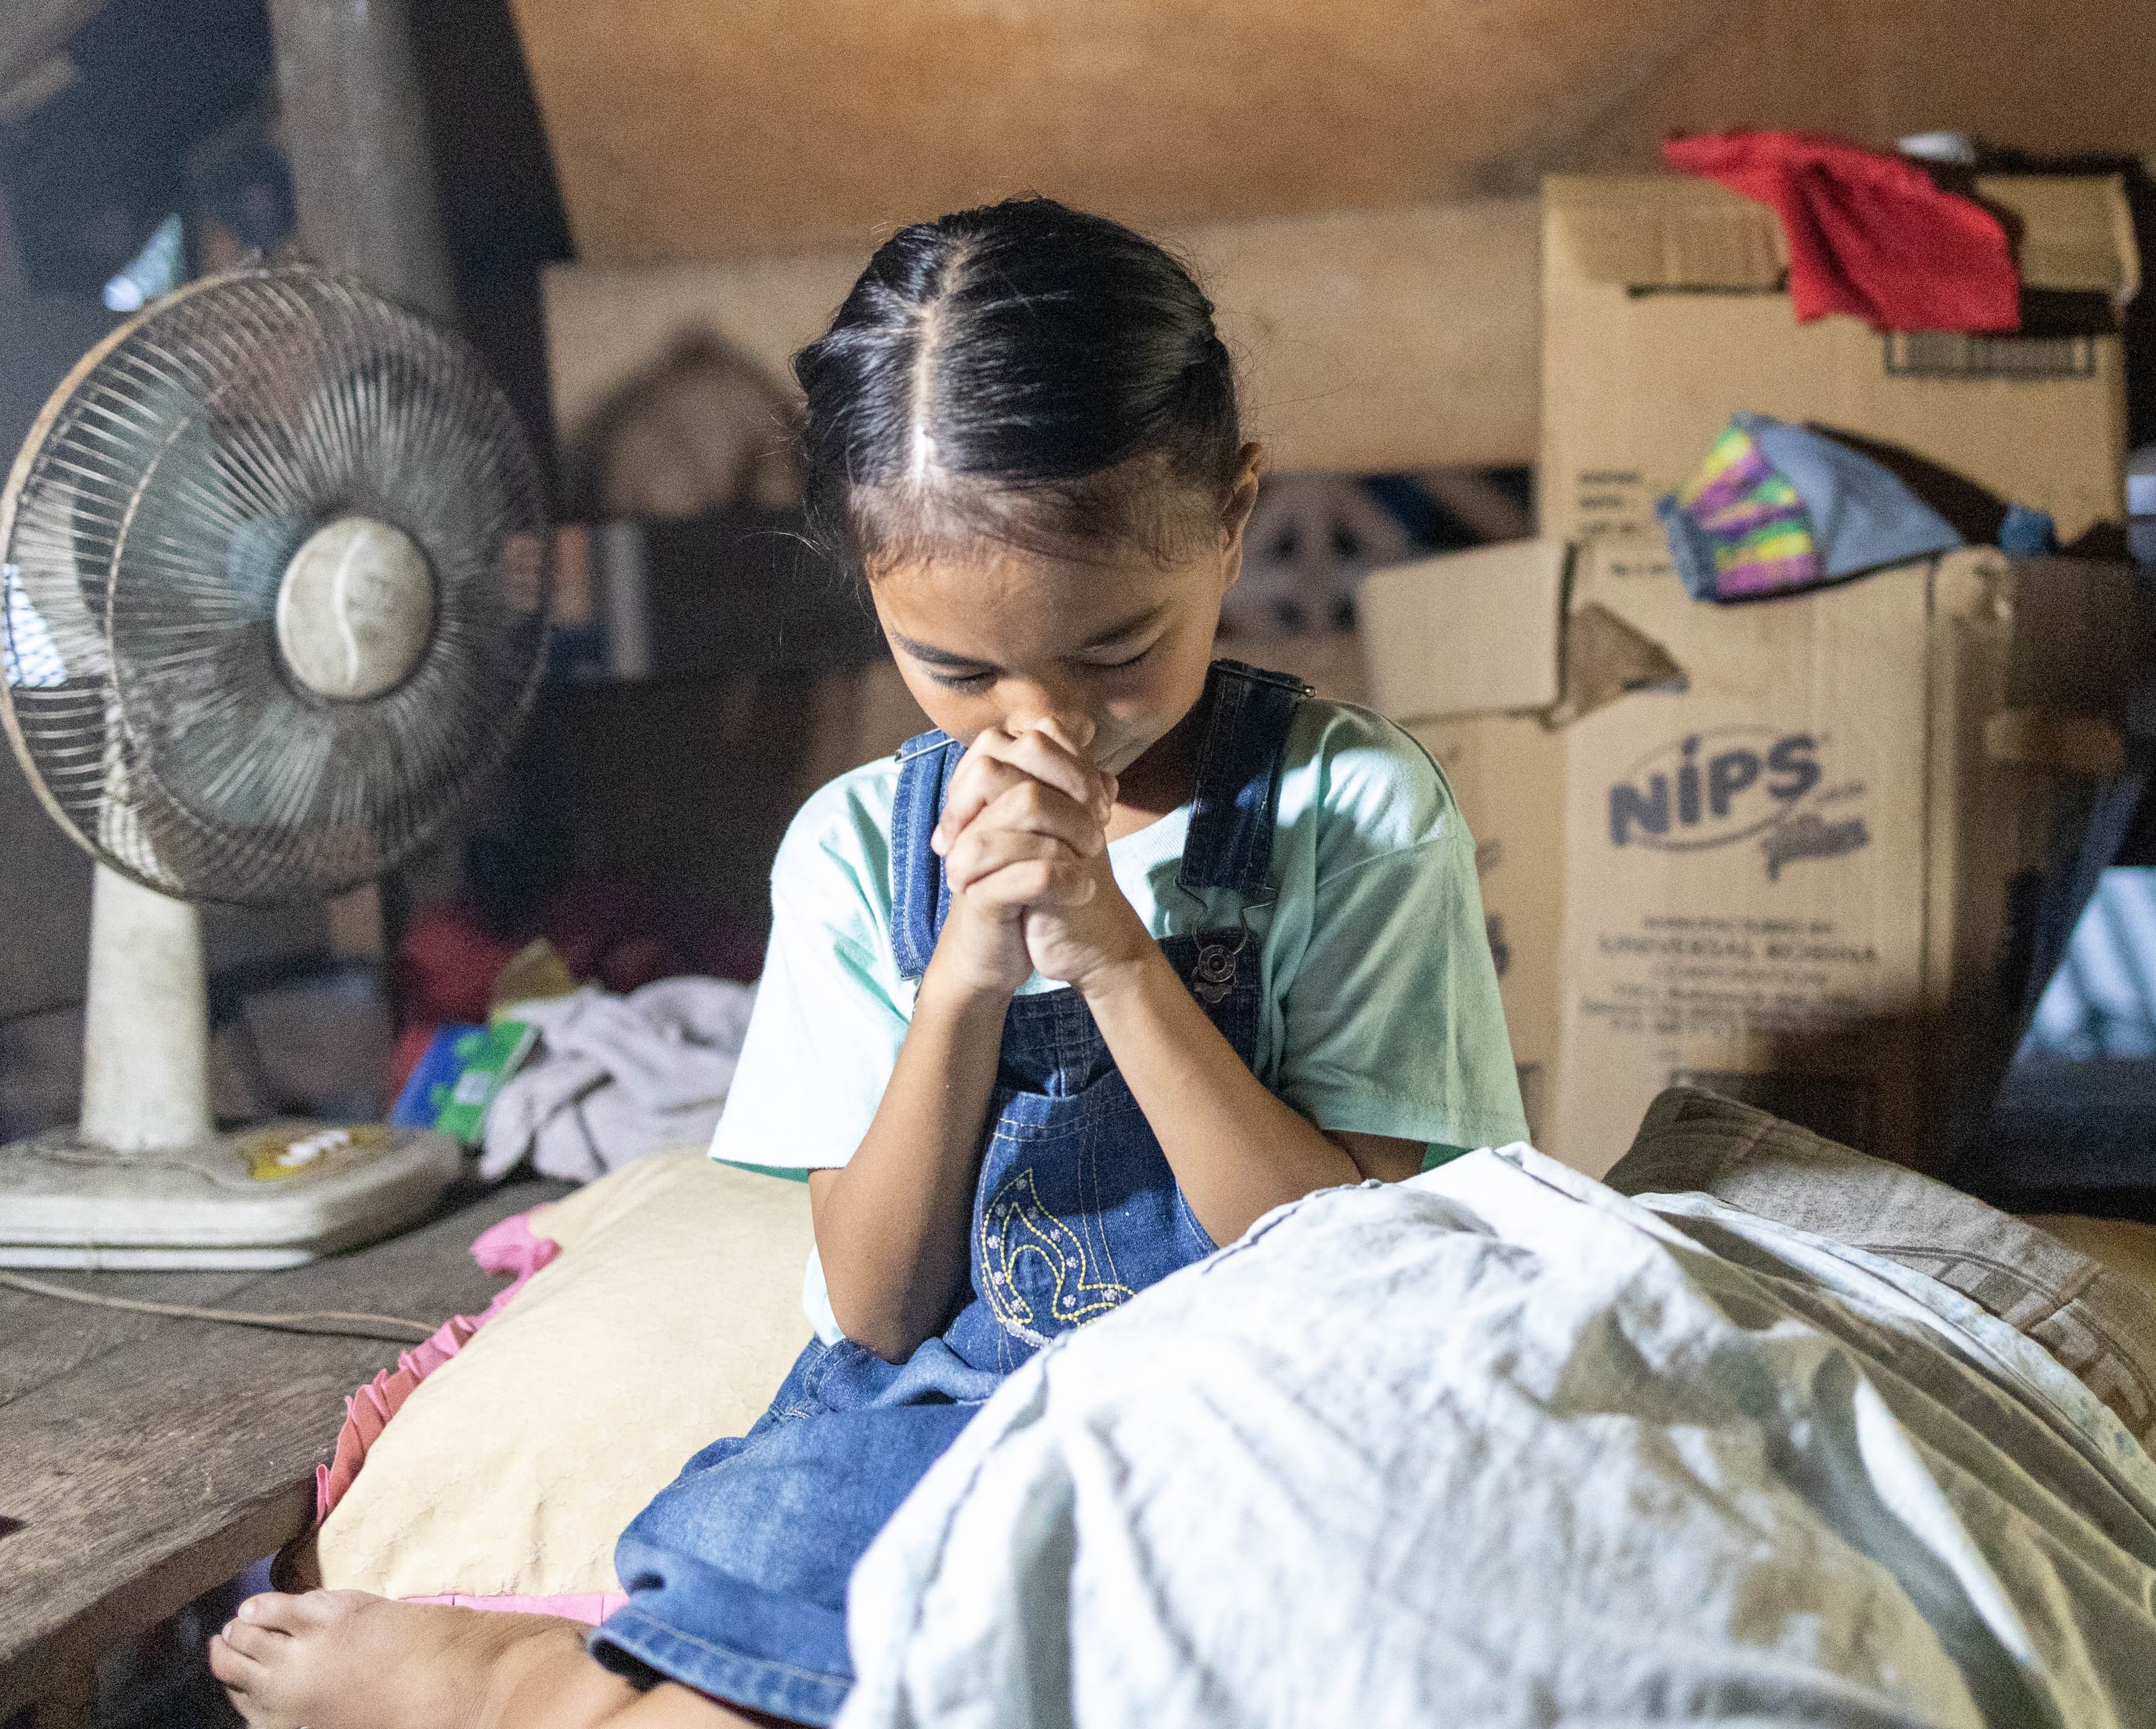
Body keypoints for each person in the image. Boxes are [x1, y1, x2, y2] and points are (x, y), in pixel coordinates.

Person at [209, 197, 1528, 1729]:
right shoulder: (856, 852)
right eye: (959, 669)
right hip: (948, 1410)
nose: (1045, 719)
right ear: (865, 572)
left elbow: (1353, 1281)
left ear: (1233, 515)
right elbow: (877, 1301)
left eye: (1115, 651)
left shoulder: (1345, 810)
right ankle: (535, 1681)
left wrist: (1112, 954)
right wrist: (966, 968)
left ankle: (564, 1698)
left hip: (1266, 1415)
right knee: (815, 1577)